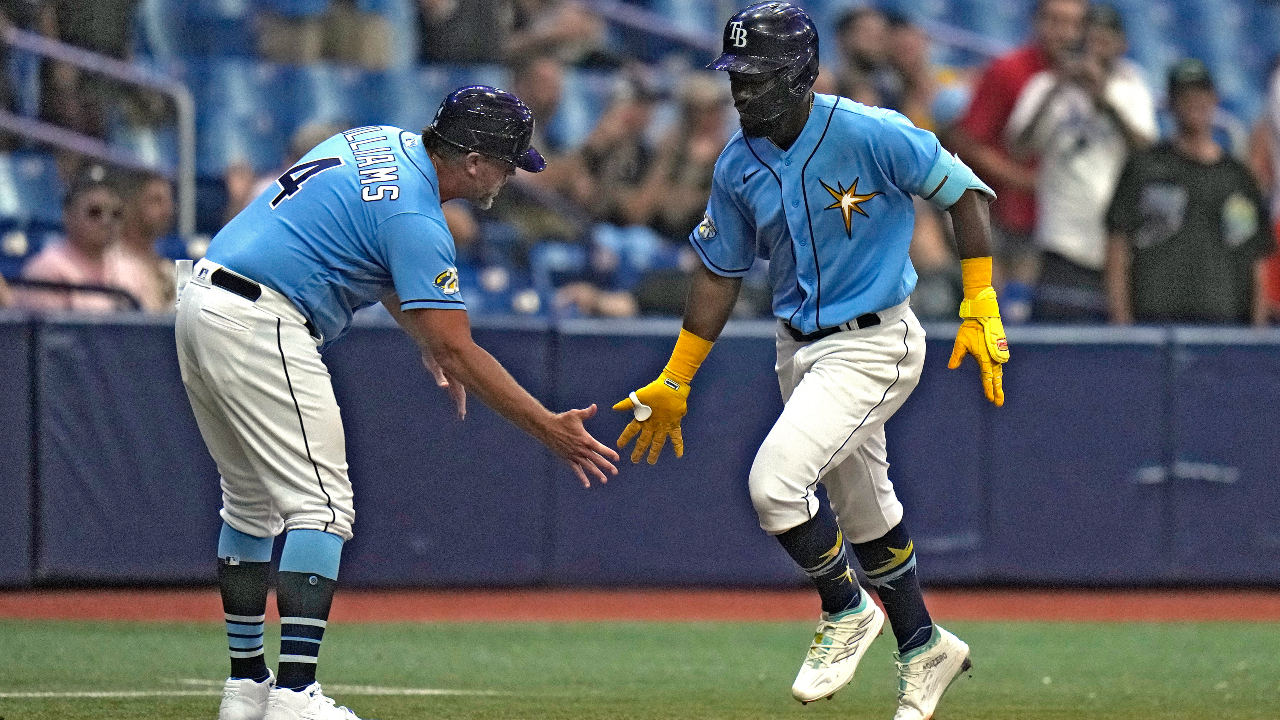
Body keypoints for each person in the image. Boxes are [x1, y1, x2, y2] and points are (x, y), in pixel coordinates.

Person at [612, 4, 1007, 719]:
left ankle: (846, 607)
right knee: (865, 513)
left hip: (875, 340)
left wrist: (979, 295)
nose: (740, 91)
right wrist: (676, 375)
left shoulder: (867, 129)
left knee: (774, 488)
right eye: (735, 75)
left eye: (756, 77)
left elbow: (964, 192)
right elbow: (718, 271)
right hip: (798, 346)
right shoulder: (738, 162)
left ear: (799, 74)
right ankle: (923, 646)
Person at [180, 86, 619, 720]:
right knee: (322, 507)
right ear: (472, 159)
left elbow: (366, 249)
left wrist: (425, 337)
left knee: (249, 503)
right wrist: (548, 426)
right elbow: (458, 345)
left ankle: (246, 687)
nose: (507, 176)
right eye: (504, 160)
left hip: (202, 298)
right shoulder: (417, 215)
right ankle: (295, 695)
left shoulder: (378, 140)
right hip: (263, 317)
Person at [1005, 3, 1156, 322]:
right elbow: (1018, 146)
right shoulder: (1046, 86)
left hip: (1121, 243)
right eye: (1092, 38)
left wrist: (1103, 99)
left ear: (1121, 44)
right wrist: (1059, 86)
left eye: (1105, 39)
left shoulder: (1131, 85)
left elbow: (1147, 151)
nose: (1097, 47)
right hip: (1063, 241)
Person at [1105, 59, 1274, 327]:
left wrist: (1257, 328)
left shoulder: (1238, 178)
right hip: (1154, 324)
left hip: (1223, 326)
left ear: (1215, 99)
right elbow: (1117, 244)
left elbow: (1254, 257)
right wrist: (1121, 321)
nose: (1194, 102)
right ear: (1170, 104)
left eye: (1201, 94)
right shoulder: (1144, 167)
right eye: (1184, 96)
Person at [951, 0, 1087, 319]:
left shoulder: (1091, 78)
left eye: (1072, 24)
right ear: (1037, 23)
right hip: (1006, 218)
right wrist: (1022, 180)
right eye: (1054, 21)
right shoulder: (1009, 70)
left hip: (1064, 226)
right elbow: (966, 142)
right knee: (1003, 318)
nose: (1064, 33)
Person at [15, 176, 134, 311]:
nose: (106, 221)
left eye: (116, 214)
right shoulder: (48, 270)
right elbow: (49, 331)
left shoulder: (130, 269)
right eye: (94, 212)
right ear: (68, 216)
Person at [107, 172, 178, 312]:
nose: (167, 210)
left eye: (169, 201)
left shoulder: (168, 270)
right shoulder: (110, 264)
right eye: (156, 201)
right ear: (130, 205)